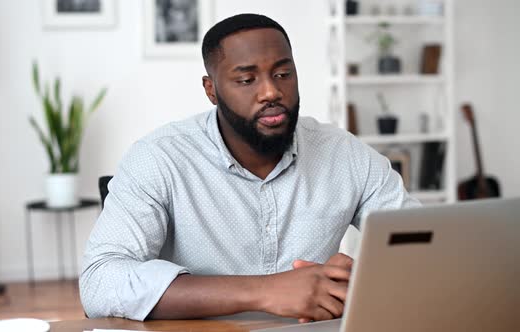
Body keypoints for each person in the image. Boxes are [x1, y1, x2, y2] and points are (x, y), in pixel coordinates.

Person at [80, 13, 419, 322]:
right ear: (211, 90)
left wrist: (357, 281)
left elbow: (419, 248)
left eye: (283, 74)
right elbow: (100, 282)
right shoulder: (158, 158)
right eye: (246, 79)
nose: (271, 91)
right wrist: (265, 290)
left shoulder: (344, 154)